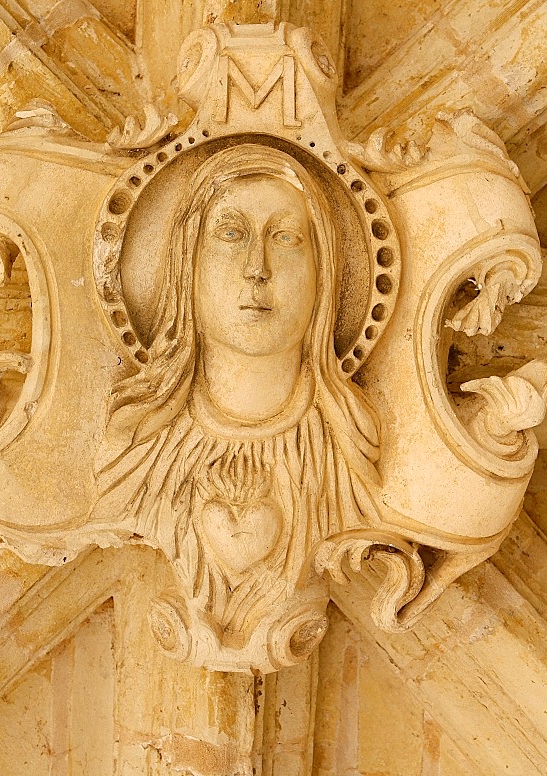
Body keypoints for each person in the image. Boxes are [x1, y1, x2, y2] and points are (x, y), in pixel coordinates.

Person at [92, 143, 380, 632]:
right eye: (230, 233)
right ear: (188, 266)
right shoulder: (133, 450)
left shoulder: (355, 452)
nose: (257, 267)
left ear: (324, 273)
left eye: (286, 238)